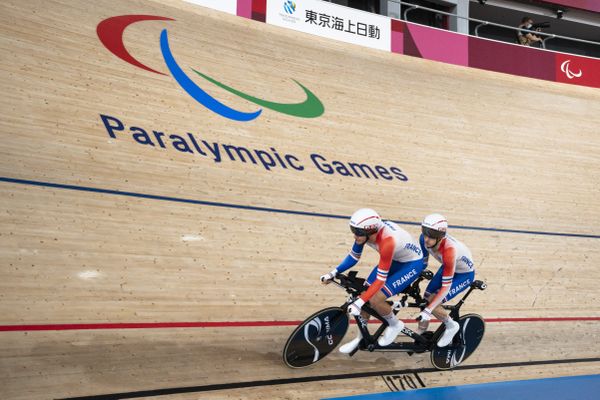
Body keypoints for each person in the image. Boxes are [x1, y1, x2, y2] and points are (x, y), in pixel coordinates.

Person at [320, 208, 424, 353]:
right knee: (363, 292)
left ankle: (395, 325)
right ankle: (360, 338)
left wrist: (361, 301)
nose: (355, 236)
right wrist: (333, 272)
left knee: (375, 299)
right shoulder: (364, 233)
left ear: (371, 232)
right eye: (353, 230)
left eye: (359, 233)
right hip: (396, 259)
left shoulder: (387, 241)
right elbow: (354, 256)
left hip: (412, 264)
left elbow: (381, 280)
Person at [417, 213, 476, 347]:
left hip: (464, 275)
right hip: (448, 267)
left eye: (431, 236)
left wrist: (429, 310)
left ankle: (451, 326)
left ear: (441, 236)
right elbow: (423, 263)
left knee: (433, 301)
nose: (426, 239)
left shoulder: (449, 251)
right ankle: (420, 333)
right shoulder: (423, 240)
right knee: (425, 297)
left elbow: (445, 287)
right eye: (424, 233)